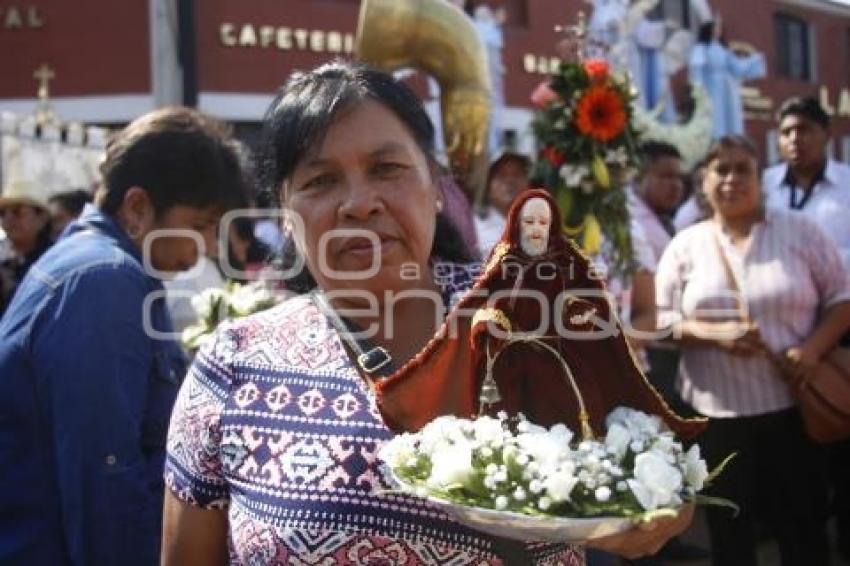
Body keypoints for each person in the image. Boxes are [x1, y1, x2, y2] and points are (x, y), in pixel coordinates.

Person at [162, 62, 694, 565]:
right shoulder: (233, 365)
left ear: (438, 187)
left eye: (386, 168)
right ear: (282, 212)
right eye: (320, 180)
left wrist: (649, 514)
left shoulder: (531, 316)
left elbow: (650, 462)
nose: (359, 202)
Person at [0, 107, 246, 564]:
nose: (209, 246)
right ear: (137, 207)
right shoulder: (104, 281)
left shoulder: (89, 263)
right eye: (200, 225)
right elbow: (103, 477)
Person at [655, 135, 850, 566]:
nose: (731, 179)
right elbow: (658, 319)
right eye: (720, 170)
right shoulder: (685, 246)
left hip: (794, 408)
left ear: (760, 178)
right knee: (730, 535)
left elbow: (842, 298)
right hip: (716, 419)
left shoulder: (800, 231)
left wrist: (813, 350)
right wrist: (714, 335)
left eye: (742, 168)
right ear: (703, 182)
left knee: (803, 528)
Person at [763, 95, 850, 560]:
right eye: (787, 132)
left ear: (825, 135)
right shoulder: (763, 186)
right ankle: (795, 528)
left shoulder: (847, 188)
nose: (796, 141)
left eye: (805, 131)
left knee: (840, 424)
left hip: (841, 325)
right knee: (794, 440)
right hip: (784, 330)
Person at [688, 19, 765, 139]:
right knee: (715, 115)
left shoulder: (723, 50)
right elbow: (697, 68)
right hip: (711, 87)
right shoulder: (702, 48)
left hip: (727, 88)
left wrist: (752, 61)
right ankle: (715, 139)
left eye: (719, 29)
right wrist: (699, 88)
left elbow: (737, 67)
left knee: (730, 117)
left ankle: (731, 139)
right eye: (715, 28)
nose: (718, 31)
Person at [0, 189, 53, 317]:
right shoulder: (5, 261)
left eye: (17, 212)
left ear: (42, 218)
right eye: (2, 213)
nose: (8, 219)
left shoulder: (54, 259)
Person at [474, 149, 530, 257]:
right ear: (487, 184)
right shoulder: (474, 227)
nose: (510, 181)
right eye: (501, 175)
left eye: (517, 175)